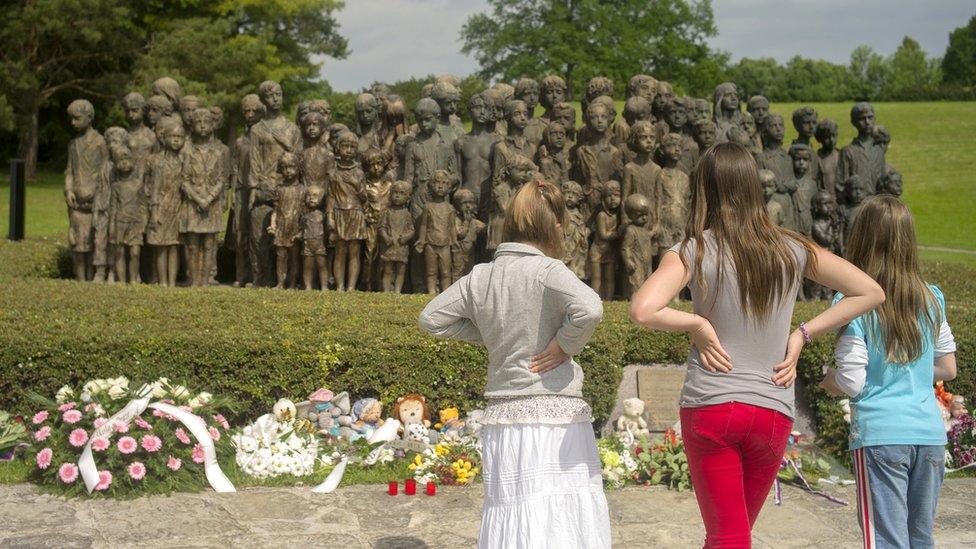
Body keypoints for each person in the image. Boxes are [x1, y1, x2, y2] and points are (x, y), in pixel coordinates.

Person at [629, 143, 884, 548]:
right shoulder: (792, 248)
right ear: (752, 187)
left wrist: (697, 323)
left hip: (712, 406)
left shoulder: (693, 250)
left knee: (728, 538)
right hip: (772, 411)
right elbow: (870, 291)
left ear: (703, 190)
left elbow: (643, 310)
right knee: (733, 535)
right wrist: (803, 334)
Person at [419, 179, 611, 549]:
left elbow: (432, 319)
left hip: (506, 416)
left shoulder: (482, 276)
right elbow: (590, 308)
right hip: (556, 416)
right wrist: (564, 344)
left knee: (514, 513)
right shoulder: (548, 271)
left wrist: (493, 334)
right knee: (562, 516)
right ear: (552, 225)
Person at [820, 196, 956, 549]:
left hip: (881, 434)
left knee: (886, 541)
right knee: (920, 539)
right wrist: (906, 375)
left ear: (862, 239)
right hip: (928, 434)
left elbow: (852, 381)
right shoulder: (932, 297)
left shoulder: (851, 301)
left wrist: (829, 381)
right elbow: (947, 367)